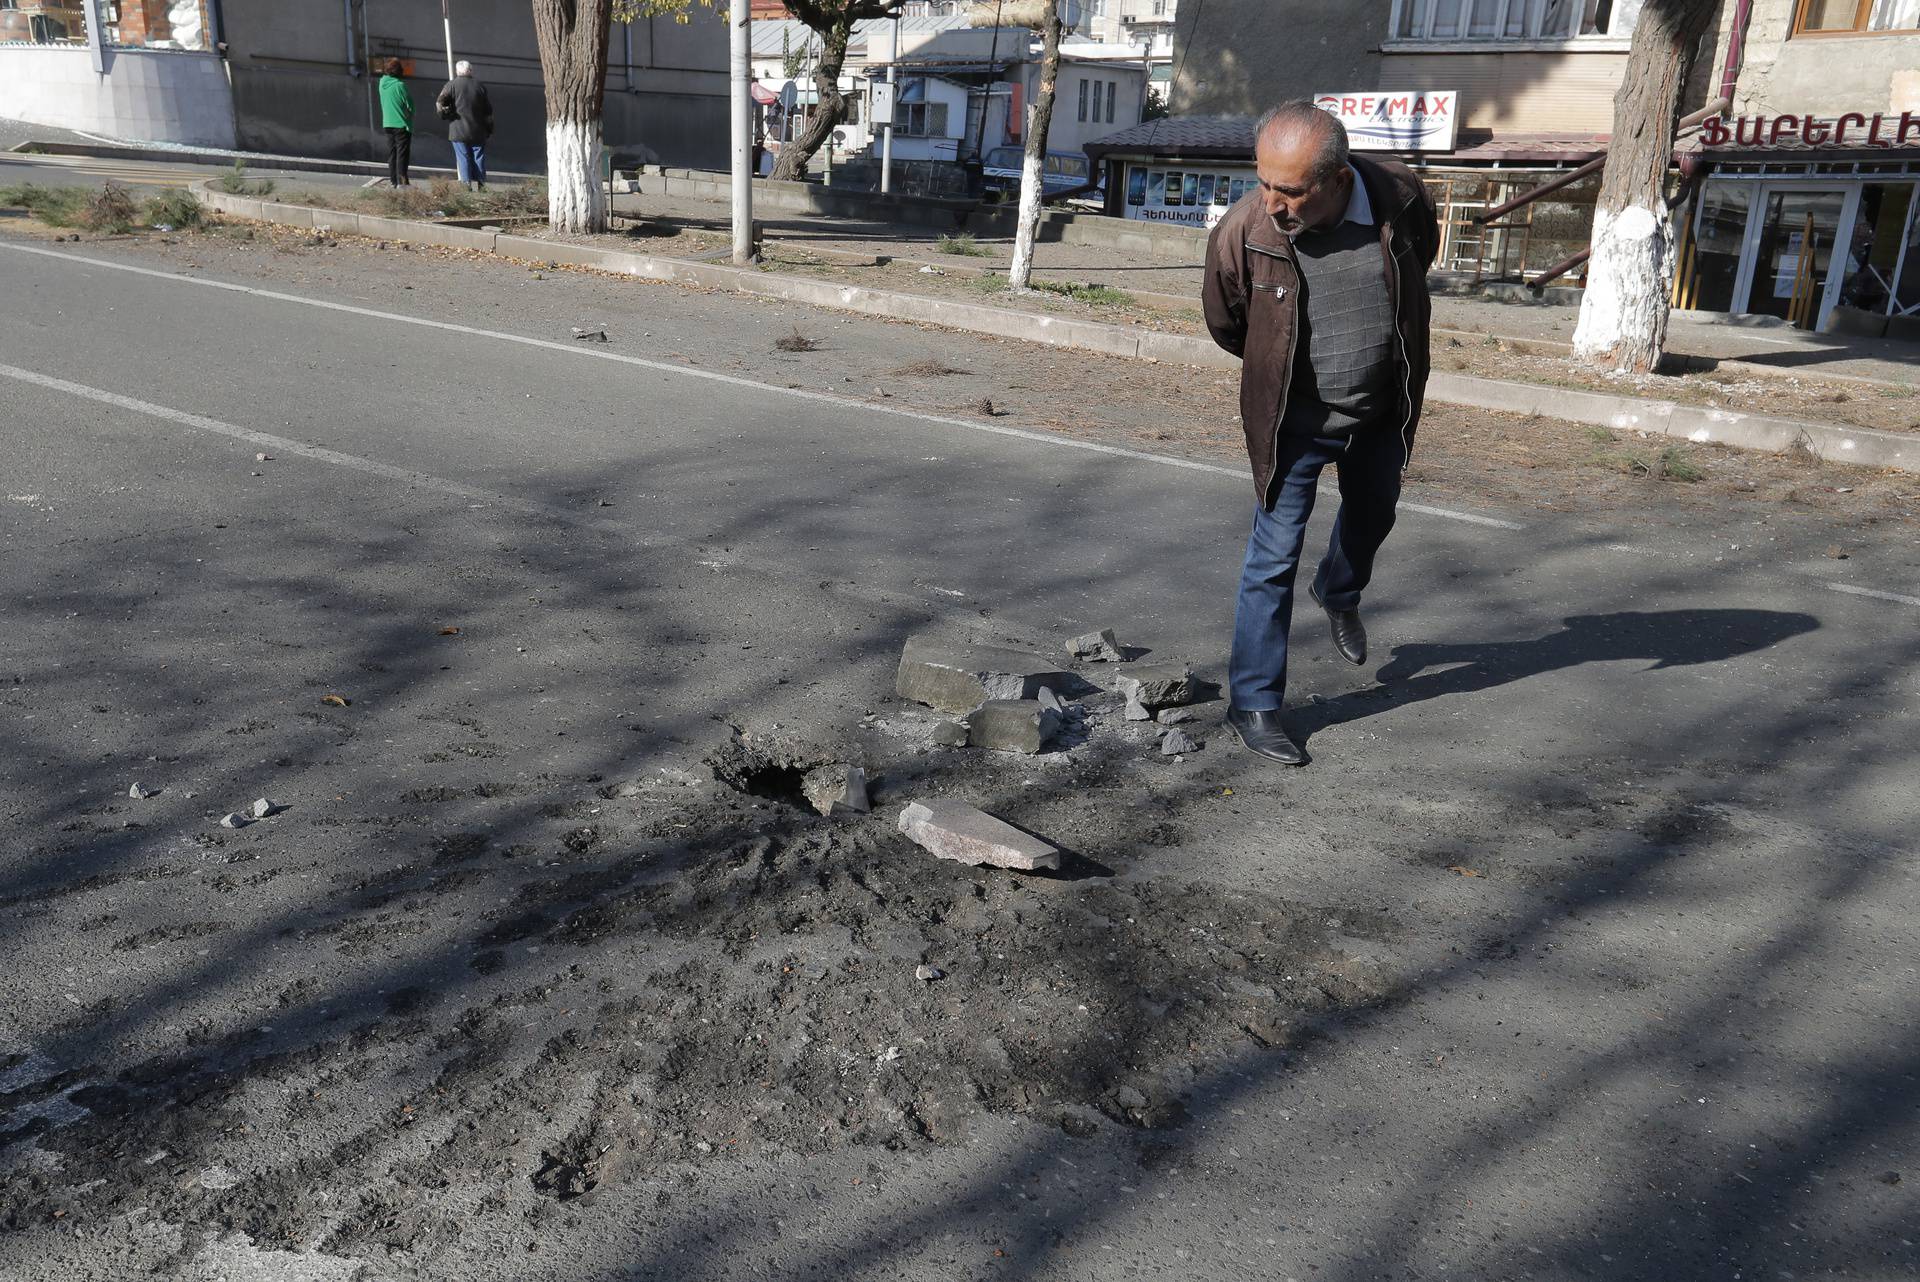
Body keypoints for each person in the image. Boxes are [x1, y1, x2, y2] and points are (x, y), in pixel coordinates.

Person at [1202, 101, 1438, 767]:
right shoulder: (1245, 230)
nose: (1272, 202)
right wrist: (1279, 369)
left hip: (1382, 408)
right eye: (1263, 182)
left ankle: (1337, 589)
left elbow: (1420, 266)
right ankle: (1253, 702)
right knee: (1271, 558)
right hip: (1295, 422)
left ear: (1337, 180)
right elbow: (1227, 321)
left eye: (1291, 190)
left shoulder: (1401, 198)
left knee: (1374, 514)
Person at [436, 59, 494, 190]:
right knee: (478, 156)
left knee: (463, 157)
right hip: (478, 130)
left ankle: (466, 185)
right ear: (470, 71)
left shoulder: (451, 85)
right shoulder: (480, 86)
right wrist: (489, 129)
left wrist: (446, 115)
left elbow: (440, 104)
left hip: (458, 129)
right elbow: (488, 111)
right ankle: (482, 185)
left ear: (457, 71)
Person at [378, 57, 414, 187]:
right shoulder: (400, 85)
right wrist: (410, 114)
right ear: (398, 71)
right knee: (402, 155)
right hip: (401, 124)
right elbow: (410, 105)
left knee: (392, 154)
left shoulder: (382, 83)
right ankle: (402, 182)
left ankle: (394, 181)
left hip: (387, 123)